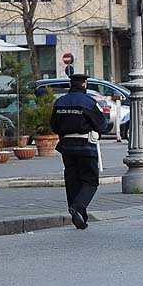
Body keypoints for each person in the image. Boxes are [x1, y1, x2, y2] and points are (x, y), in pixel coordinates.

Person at [49, 73, 109, 229]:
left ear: (71, 85)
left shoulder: (59, 102)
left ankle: (79, 215)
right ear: (84, 85)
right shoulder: (89, 102)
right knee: (90, 180)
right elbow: (102, 124)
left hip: (66, 147)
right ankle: (78, 207)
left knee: (72, 180)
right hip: (86, 146)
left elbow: (54, 126)